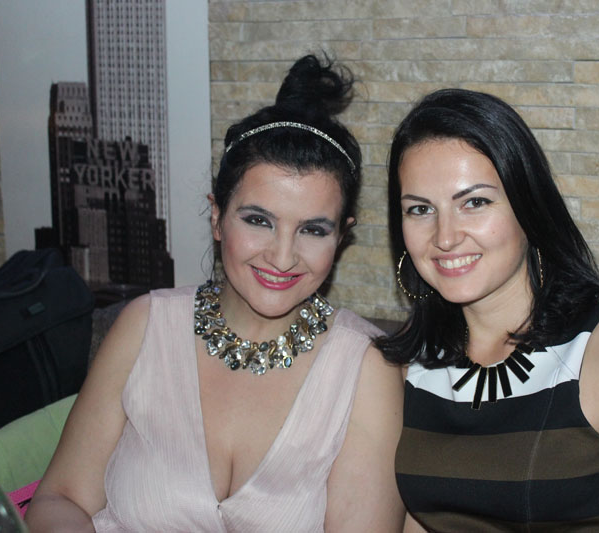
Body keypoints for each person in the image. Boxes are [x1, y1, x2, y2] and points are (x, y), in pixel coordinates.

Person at [25, 55, 405, 532]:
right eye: (258, 220)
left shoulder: (366, 368)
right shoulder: (144, 325)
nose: (282, 257)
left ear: (341, 236)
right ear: (217, 217)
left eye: (312, 229)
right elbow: (59, 499)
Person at [376, 88, 599, 531]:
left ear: (528, 206)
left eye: (474, 202)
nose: (445, 237)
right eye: (421, 209)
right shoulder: (412, 363)